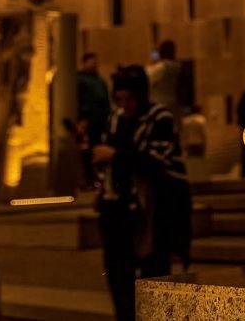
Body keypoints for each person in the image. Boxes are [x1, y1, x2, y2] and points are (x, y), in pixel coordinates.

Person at [94, 65, 191, 321]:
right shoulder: (115, 120)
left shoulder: (159, 118)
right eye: (120, 99)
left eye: (130, 99)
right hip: (118, 209)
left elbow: (158, 163)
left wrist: (115, 155)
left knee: (153, 277)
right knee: (119, 278)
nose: (125, 105)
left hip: (152, 211)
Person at [77, 51, 112, 187]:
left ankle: (97, 177)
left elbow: (105, 100)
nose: (94, 64)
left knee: (98, 147)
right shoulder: (80, 80)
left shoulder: (100, 81)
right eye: (92, 61)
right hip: (87, 120)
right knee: (86, 151)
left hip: (100, 120)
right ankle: (88, 178)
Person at [146, 40, 181, 116]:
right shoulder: (177, 66)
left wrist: (153, 62)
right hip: (173, 102)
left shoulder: (160, 68)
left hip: (159, 103)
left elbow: (146, 78)